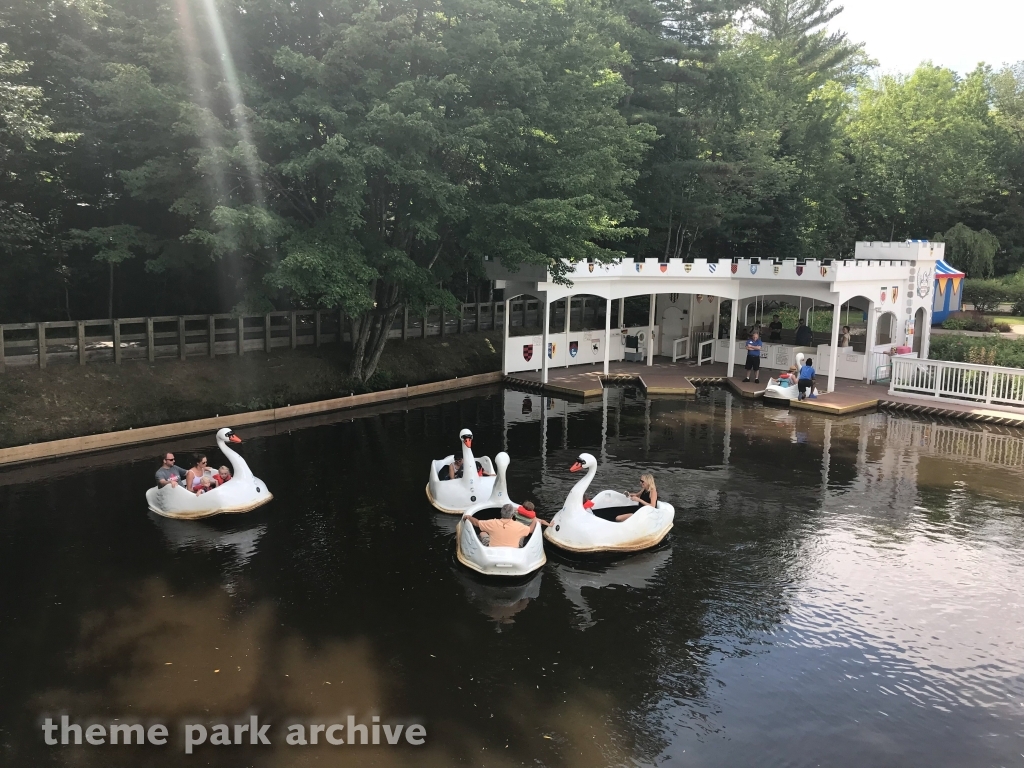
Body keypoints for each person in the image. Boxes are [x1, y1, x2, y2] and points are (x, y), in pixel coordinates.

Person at [464, 504, 546, 547]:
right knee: (522, 536)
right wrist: (535, 520)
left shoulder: (492, 522)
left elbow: (477, 523)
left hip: (493, 549)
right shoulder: (519, 526)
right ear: (512, 515)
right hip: (514, 549)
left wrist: (468, 517)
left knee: (482, 533)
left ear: (501, 513)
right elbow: (530, 530)